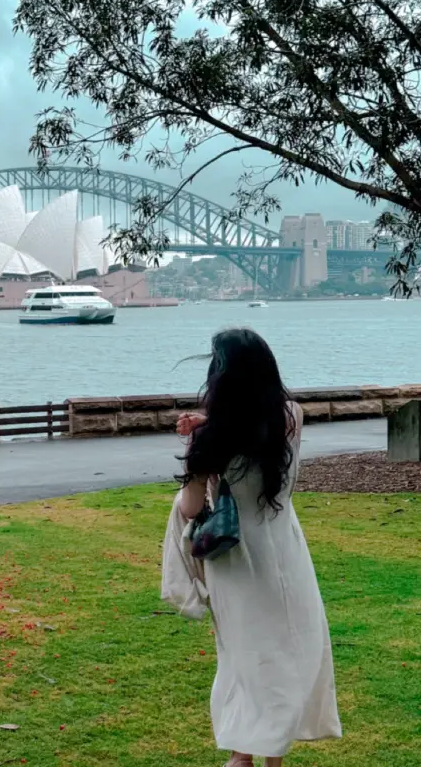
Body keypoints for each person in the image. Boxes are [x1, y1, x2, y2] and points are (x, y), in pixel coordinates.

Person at [174, 328, 341, 767]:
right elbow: (255, 416)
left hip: (237, 561)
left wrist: (200, 438)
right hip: (285, 548)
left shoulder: (212, 442)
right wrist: (208, 422)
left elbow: (192, 508)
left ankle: (242, 756)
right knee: (287, 647)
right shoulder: (291, 416)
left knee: (245, 657)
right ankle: (269, 757)